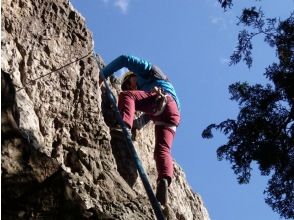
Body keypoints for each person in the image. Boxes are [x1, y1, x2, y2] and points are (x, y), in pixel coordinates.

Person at [100, 54, 181, 206]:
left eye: (128, 83)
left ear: (133, 75)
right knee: (162, 151)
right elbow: (145, 118)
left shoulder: (147, 71)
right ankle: (164, 179)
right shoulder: (151, 86)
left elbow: (124, 59)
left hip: (162, 100)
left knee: (127, 96)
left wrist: (102, 75)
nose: (131, 87)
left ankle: (123, 127)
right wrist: (136, 124)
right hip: (171, 114)